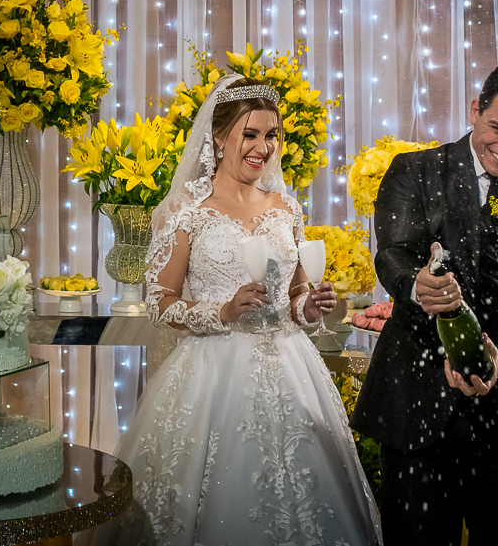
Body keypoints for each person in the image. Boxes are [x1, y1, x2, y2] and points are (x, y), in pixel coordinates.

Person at [113, 75, 382, 545]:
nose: (264, 148)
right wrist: (224, 311)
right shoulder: (185, 212)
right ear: (219, 137)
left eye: (272, 135)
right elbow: (160, 303)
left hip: (292, 368)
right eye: (251, 134)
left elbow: (295, 298)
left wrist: (311, 306)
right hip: (211, 376)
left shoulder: (286, 208)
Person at [351, 60, 498, 545]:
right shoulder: (413, 171)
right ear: (475, 109)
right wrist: (416, 285)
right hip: (416, 403)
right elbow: (393, 253)